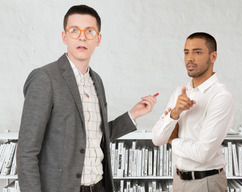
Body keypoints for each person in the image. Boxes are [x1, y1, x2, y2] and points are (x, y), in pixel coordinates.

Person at [17, 5, 157, 192]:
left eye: (89, 31)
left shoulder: (96, 80)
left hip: (99, 186)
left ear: (98, 39)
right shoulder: (45, 78)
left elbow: (92, 136)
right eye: (74, 30)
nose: (82, 37)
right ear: (64, 37)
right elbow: (26, 153)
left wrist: (133, 114)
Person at [152, 32, 234, 192]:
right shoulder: (179, 92)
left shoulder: (221, 96)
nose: (189, 58)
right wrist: (174, 114)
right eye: (186, 52)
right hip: (178, 180)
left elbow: (203, 153)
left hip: (206, 182)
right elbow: (156, 138)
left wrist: (173, 140)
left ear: (213, 57)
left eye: (197, 52)